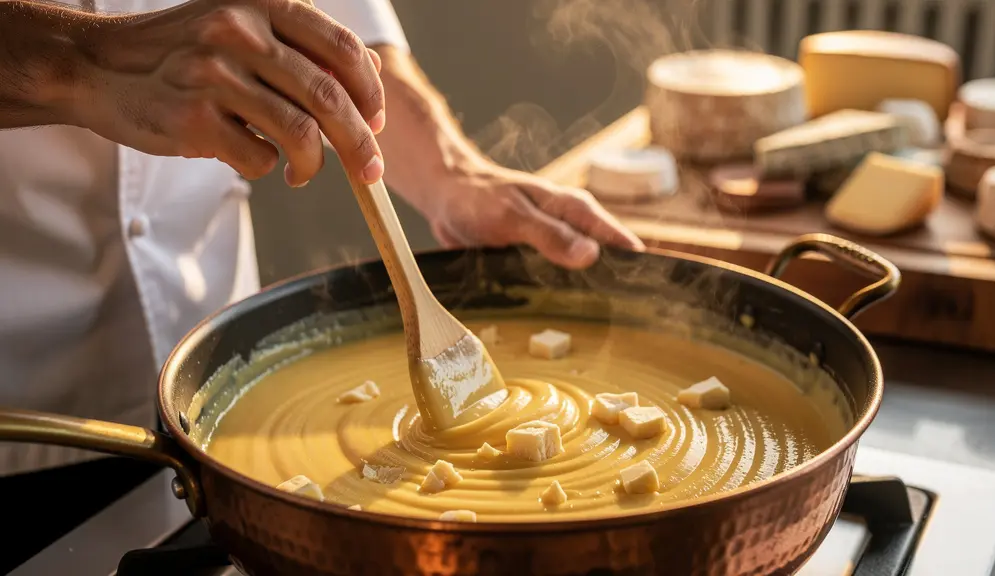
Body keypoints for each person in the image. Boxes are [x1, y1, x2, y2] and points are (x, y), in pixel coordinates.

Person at [0, 0, 643, 568]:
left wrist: (452, 171)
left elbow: (328, 26)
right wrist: (80, 60)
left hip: (217, 415)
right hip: (20, 409)